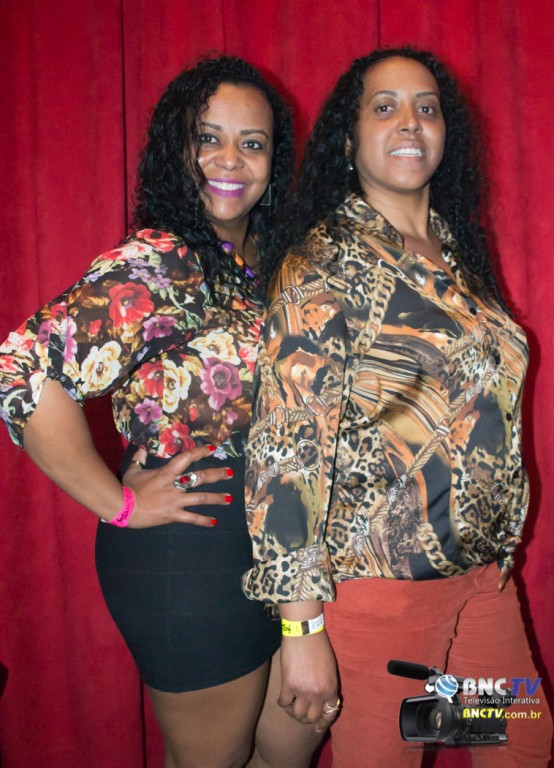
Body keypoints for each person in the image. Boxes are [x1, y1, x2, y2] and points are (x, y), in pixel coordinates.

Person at [243, 48, 553, 767]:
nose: (410, 122)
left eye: (426, 107)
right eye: (384, 107)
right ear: (349, 139)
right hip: (381, 596)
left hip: (479, 585)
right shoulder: (323, 264)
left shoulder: (455, 252)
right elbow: (285, 449)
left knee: (520, 744)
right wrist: (301, 632)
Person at [0, 55, 293, 768]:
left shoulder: (256, 261)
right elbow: (20, 369)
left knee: (283, 748)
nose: (231, 159)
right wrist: (120, 504)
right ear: (175, 149)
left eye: (252, 143)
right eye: (208, 137)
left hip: (269, 542)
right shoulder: (163, 260)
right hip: (190, 552)